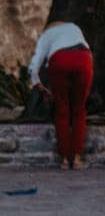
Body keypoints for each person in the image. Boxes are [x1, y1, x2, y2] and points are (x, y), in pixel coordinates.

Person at [28, 19, 94, 170]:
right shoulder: (74, 27)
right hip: (83, 58)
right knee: (79, 109)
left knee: (62, 109)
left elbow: (35, 63)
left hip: (59, 60)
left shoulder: (47, 34)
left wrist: (38, 84)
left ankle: (64, 159)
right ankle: (76, 159)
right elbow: (86, 49)